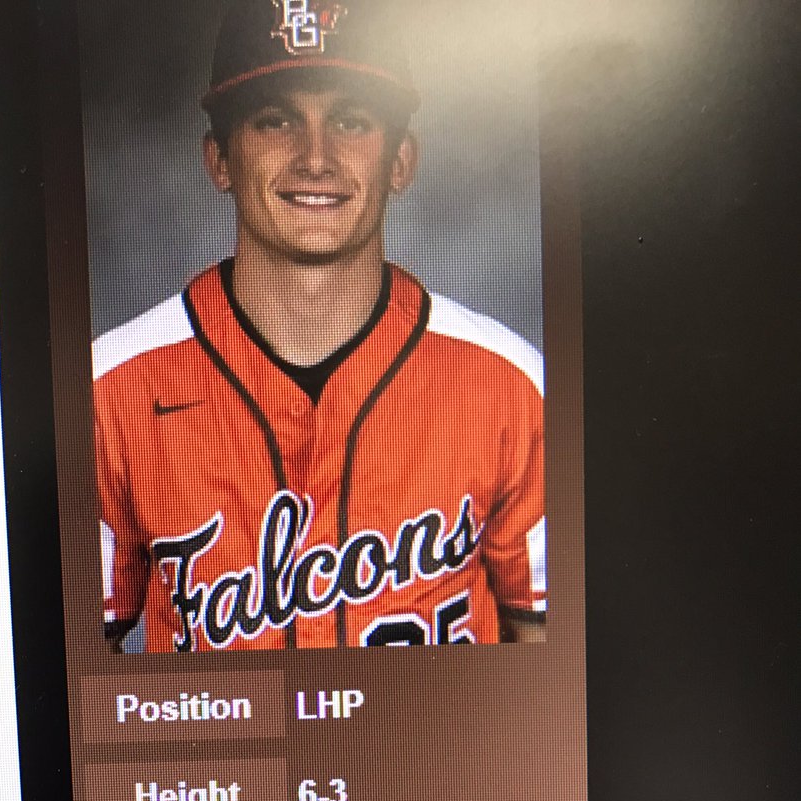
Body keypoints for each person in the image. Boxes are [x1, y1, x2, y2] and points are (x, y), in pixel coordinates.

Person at [93, 0, 546, 652]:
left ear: (401, 161)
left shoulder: (510, 383)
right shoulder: (112, 388)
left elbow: (555, 674)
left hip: (435, 756)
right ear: (219, 160)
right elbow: (73, 694)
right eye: (276, 121)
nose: (316, 158)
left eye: (351, 121)